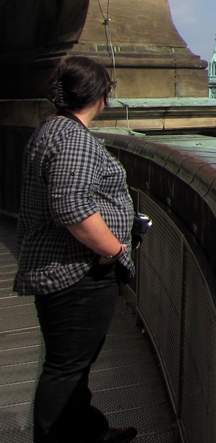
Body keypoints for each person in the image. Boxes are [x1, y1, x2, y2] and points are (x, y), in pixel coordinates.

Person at [14, 56, 137, 443]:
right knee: (66, 368)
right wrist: (114, 250)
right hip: (76, 273)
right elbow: (72, 208)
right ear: (101, 96)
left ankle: (88, 431)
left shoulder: (52, 130)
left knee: (73, 365)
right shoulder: (72, 139)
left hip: (65, 270)